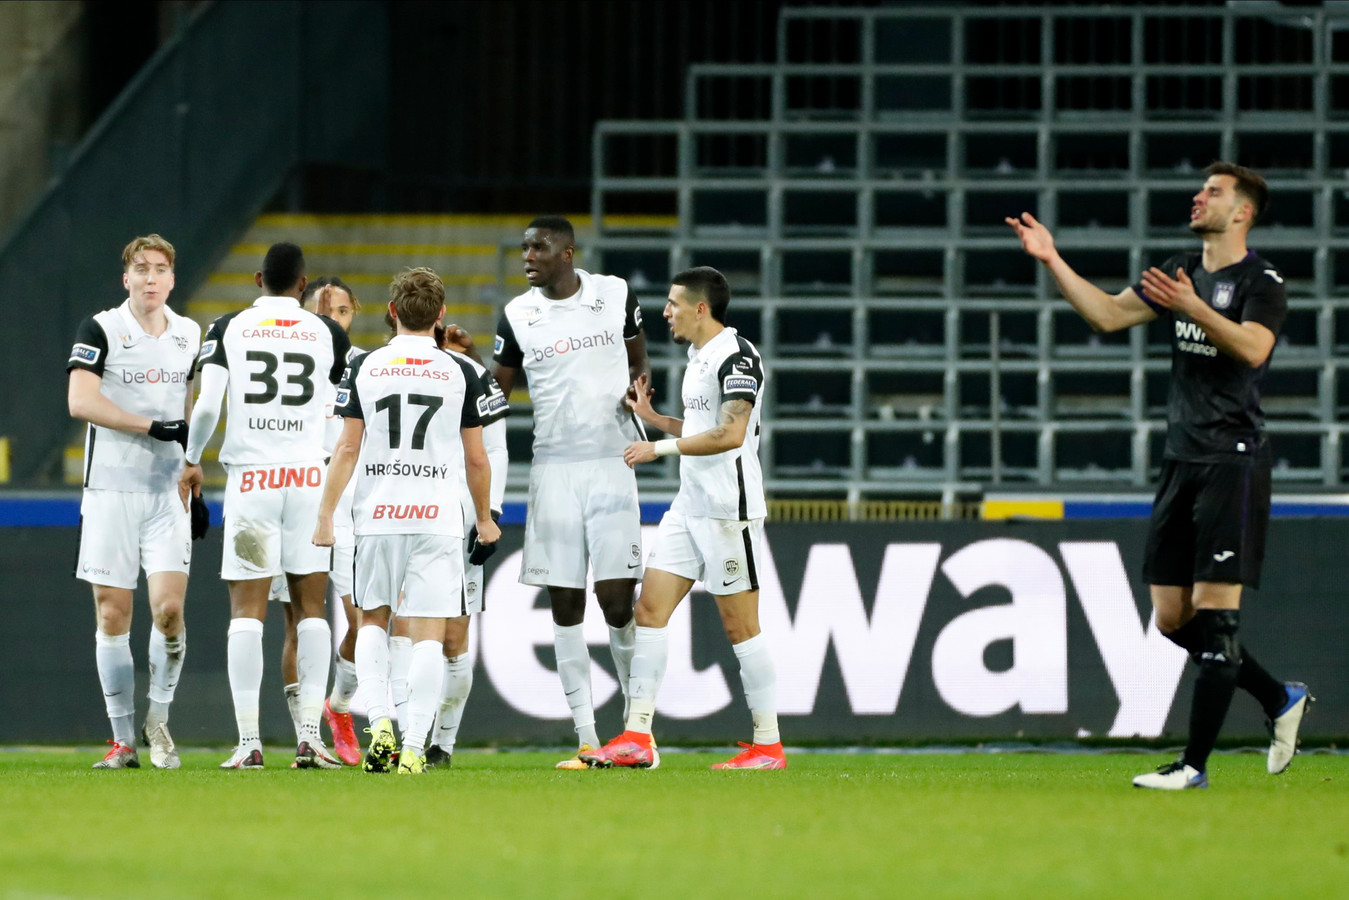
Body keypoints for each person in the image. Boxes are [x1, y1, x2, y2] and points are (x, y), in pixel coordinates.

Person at [1007, 161, 1312, 790]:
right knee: (1172, 618)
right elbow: (1108, 316)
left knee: (1216, 615)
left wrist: (1194, 307)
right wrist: (1052, 259)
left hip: (1234, 460)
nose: (1199, 198)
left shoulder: (1263, 280)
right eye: (1201, 189)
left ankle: (1193, 766)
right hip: (1182, 460)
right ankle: (1280, 696)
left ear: (1243, 213)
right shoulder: (1179, 268)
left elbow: (1255, 349)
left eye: (1215, 192)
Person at [581, 267, 785, 771]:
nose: (665, 312)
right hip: (689, 505)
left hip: (726, 511)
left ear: (700, 308)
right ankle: (638, 737)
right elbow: (700, 428)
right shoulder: (697, 358)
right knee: (649, 610)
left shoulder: (739, 356)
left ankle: (768, 744)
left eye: (673, 303)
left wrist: (658, 447)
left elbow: (731, 434)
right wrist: (656, 421)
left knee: (741, 628)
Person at [313, 267, 500, 775]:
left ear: (391, 312)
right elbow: (478, 460)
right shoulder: (463, 371)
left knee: (372, 618)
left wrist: (326, 515)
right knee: (429, 635)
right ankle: (415, 747)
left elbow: (346, 448)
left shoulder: (365, 367)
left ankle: (379, 726)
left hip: (377, 515)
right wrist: (483, 518)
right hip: (438, 516)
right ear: (440, 316)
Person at [485, 215, 649, 768]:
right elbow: (496, 395)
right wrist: (461, 366)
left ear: (568, 253)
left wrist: (638, 389)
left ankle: (636, 734)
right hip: (552, 469)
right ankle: (586, 738)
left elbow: (638, 356)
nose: (528, 255)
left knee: (618, 602)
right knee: (566, 605)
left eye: (539, 247)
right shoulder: (517, 314)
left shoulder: (614, 293)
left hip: (612, 461)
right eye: (524, 246)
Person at [180, 242, 350, 770]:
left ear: (259, 279)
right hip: (307, 479)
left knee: (247, 613)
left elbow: (208, 404)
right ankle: (309, 739)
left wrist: (191, 459)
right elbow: (339, 411)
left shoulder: (228, 328)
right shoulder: (328, 333)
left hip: (253, 481)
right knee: (312, 610)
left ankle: (250, 742)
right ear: (305, 286)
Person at [66, 234, 203, 770]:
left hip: (168, 493)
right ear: (126, 278)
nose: (150, 278)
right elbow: (80, 400)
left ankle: (158, 722)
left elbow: (192, 399)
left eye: (160, 269)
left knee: (169, 614)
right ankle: (123, 740)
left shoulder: (189, 334)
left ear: (173, 279)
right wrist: (153, 427)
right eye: (141, 269)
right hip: (110, 491)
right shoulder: (101, 328)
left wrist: (193, 457)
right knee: (113, 613)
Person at [387, 322, 510, 770]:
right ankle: (408, 738)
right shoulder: (381, 366)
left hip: (455, 514)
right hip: (397, 510)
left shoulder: (469, 372)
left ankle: (443, 742)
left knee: (453, 639)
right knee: (403, 627)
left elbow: (493, 450)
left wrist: (489, 514)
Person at [272, 276, 365, 766]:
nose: (333, 320)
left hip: (348, 504)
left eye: (343, 311)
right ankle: (307, 737)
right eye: (323, 311)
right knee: (296, 622)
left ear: (356, 316)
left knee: (360, 619)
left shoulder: (365, 367)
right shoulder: (287, 362)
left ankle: (339, 705)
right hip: (293, 495)